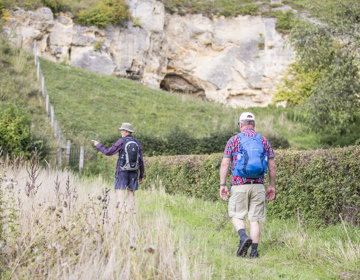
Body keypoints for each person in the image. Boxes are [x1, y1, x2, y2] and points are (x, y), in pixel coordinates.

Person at [219, 112, 276, 258]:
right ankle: (254, 253)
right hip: (258, 185)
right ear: (254, 125)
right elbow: (272, 167)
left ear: (241, 124)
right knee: (254, 219)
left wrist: (222, 184)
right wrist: (271, 186)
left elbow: (225, 163)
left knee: (237, 215)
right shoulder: (264, 140)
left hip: (239, 184)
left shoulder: (234, 140)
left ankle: (243, 237)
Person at [92, 123, 144, 214]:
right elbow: (141, 160)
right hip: (134, 172)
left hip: (122, 171)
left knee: (120, 193)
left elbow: (108, 152)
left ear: (125, 131)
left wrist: (98, 145)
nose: (120, 131)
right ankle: (132, 214)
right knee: (131, 193)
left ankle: (121, 214)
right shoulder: (137, 142)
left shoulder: (121, 141)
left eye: (121, 130)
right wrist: (141, 175)